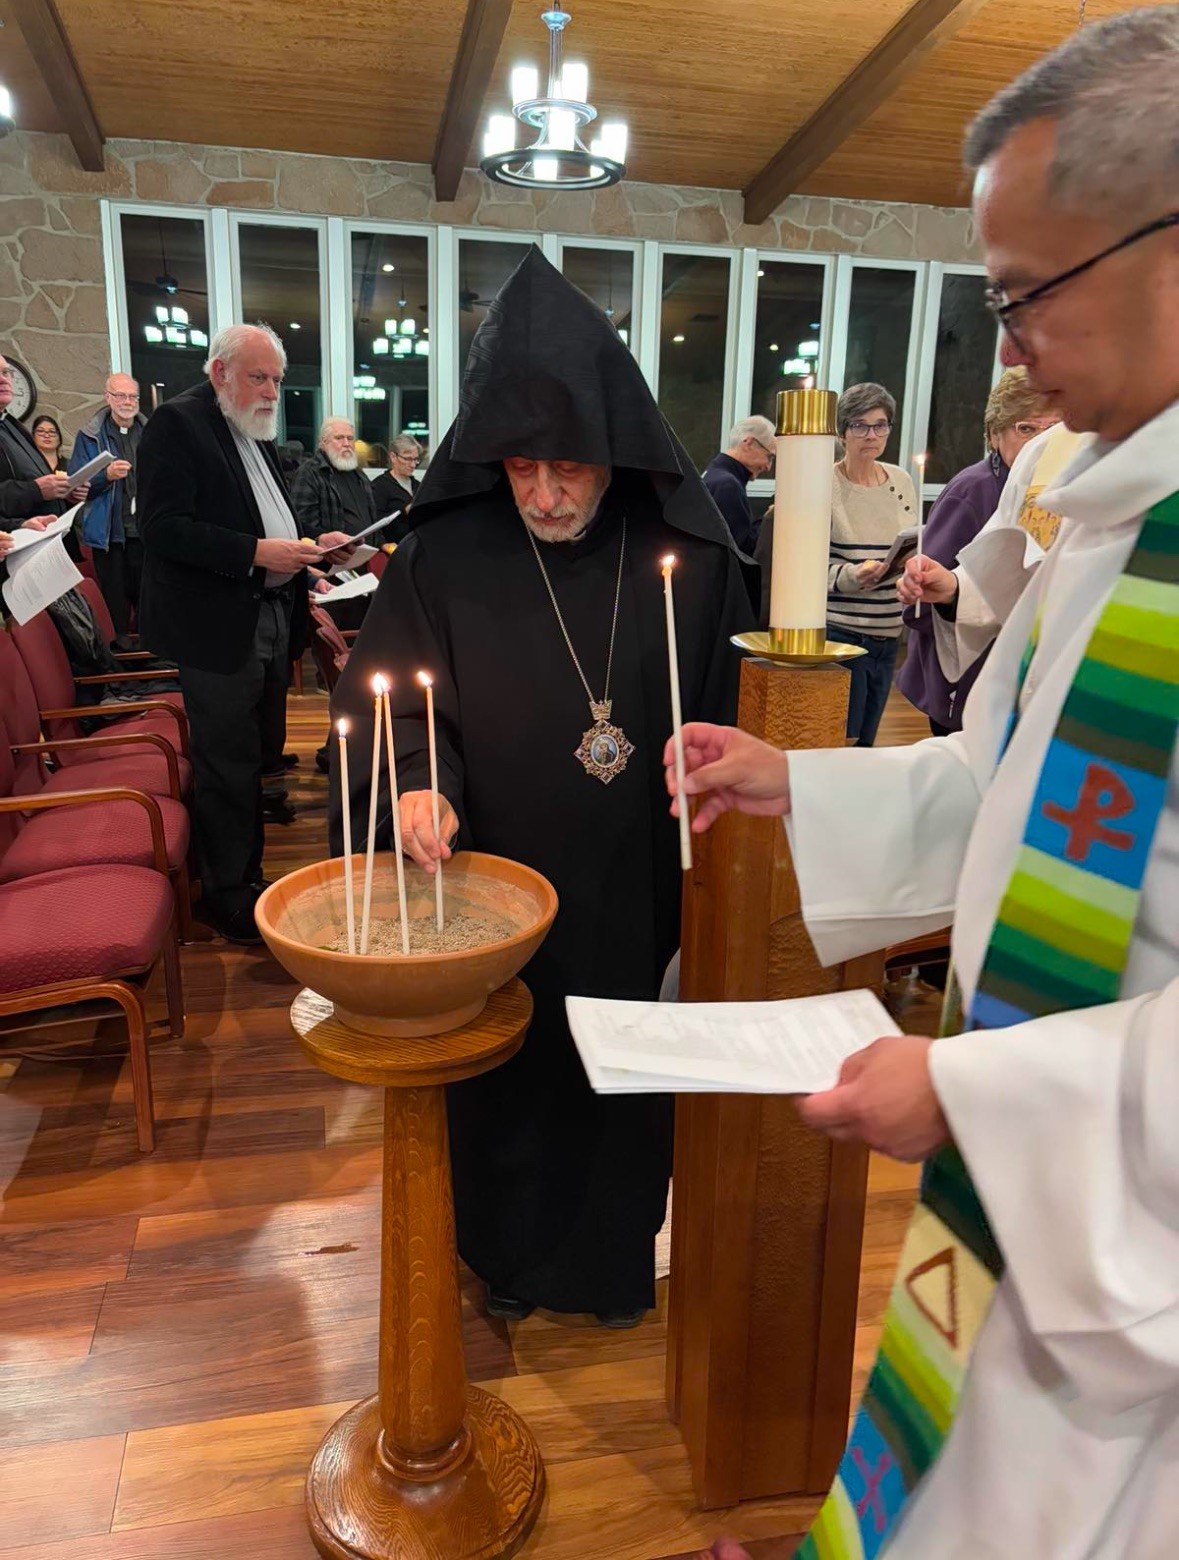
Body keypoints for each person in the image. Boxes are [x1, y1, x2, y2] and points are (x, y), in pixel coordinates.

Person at [672, 9, 1179, 1555]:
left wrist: (970, 1087)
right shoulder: (1116, 523)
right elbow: (1019, 789)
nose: (1003, 345)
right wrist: (801, 785)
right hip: (1045, 1200)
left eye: (1022, 291)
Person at [331, 248, 750, 1326]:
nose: (545, 494)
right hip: (493, 886)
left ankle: (612, 1267)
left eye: (568, 467)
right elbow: (395, 703)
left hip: (636, 887)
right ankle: (508, 1263)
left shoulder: (687, 561)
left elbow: (728, 721)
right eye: (520, 467)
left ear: (614, 452)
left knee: (621, 1077)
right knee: (509, 1084)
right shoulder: (444, 558)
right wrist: (418, 786)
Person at [137, 324, 355, 944]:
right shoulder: (178, 424)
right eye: (258, 378)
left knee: (255, 752)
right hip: (216, 622)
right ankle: (226, 894)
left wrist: (313, 548)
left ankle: (246, 873)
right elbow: (163, 528)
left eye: (277, 381)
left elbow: (265, 517)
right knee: (225, 761)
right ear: (220, 373)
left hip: (268, 610)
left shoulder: (250, 427)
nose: (270, 392)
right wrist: (258, 552)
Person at [895, 368, 1057, 734]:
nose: (1041, 444)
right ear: (995, 434)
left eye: (1053, 430)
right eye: (1027, 429)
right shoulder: (973, 490)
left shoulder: (1056, 492)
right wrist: (949, 593)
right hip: (968, 678)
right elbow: (922, 603)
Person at [898, 418, 1084, 698]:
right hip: (1032, 667)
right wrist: (955, 589)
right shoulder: (1045, 449)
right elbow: (1013, 565)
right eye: (1026, 427)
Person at [826, 383, 918, 745]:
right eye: (860, 426)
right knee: (843, 741)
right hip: (843, 633)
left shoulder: (901, 479)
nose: (871, 435)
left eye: (880, 425)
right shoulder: (825, 483)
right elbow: (803, 569)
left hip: (890, 632)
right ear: (842, 432)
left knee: (868, 742)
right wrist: (853, 575)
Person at [69, 374, 149, 641]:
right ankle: (122, 656)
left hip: (145, 533)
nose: (127, 402)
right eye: (120, 395)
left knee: (149, 599)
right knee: (116, 604)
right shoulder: (90, 435)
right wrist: (106, 476)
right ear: (107, 397)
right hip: (109, 534)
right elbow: (75, 486)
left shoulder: (152, 432)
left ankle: (151, 654)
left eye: (133, 396)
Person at [0, 353, 87, 526]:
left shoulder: (9, 423)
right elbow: (34, 489)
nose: (4, 380)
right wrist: (36, 490)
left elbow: (33, 481)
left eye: (5, 372)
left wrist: (63, 493)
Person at [291, 417, 380, 542]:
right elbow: (303, 524)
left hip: (367, 551)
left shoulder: (358, 474)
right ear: (323, 442)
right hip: (334, 552)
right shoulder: (309, 472)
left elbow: (372, 515)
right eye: (339, 438)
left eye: (350, 438)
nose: (346, 443)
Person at [700, 416, 775, 554]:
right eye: (769, 457)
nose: (768, 467)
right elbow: (743, 550)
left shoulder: (715, 475)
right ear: (748, 443)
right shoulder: (727, 485)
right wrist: (769, 518)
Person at [369, 433, 423, 542]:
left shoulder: (418, 486)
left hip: (418, 545)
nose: (413, 465)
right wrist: (403, 512)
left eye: (416, 459)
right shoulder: (379, 486)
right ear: (393, 457)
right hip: (394, 547)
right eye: (408, 459)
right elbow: (375, 524)